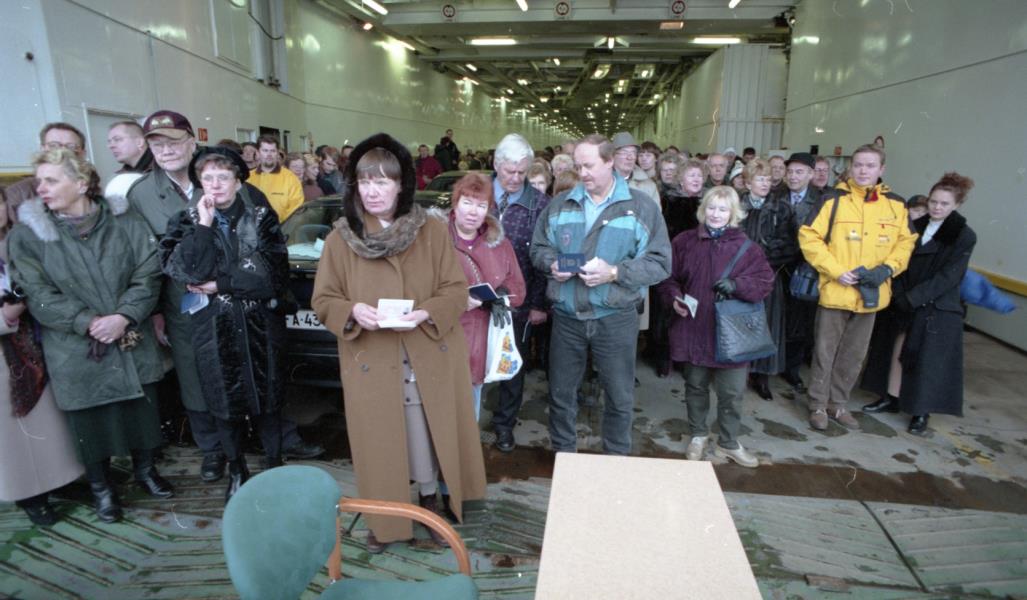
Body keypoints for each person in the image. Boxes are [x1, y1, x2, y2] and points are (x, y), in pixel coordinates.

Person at [310, 133, 486, 553]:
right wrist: (352, 310)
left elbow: (455, 289)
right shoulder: (341, 239)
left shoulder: (431, 231)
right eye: (364, 181)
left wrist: (426, 312)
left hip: (427, 349)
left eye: (382, 181)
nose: (372, 191)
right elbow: (323, 300)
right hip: (372, 355)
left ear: (400, 184)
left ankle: (430, 502)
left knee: (428, 432)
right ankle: (384, 518)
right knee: (380, 442)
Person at [9, 149, 173, 523]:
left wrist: (124, 316)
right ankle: (102, 489)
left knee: (141, 412)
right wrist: (88, 322)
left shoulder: (125, 221)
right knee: (90, 423)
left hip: (129, 335)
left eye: (51, 180)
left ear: (81, 183)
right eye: (39, 181)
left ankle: (146, 470)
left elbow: (149, 273)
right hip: (76, 346)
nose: (41, 188)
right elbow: (36, 292)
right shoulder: (27, 236)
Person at [160, 147, 289, 502]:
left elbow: (271, 275)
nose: (215, 184)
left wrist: (220, 283)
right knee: (223, 402)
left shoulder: (261, 216)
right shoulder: (186, 220)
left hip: (260, 325)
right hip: (213, 328)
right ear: (199, 182)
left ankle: (274, 465)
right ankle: (237, 470)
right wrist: (203, 227)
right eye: (208, 178)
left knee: (268, 400)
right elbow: (187, 271)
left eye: (223, 177)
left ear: (237, 181)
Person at [531, 134, 671, 455]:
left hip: (616, 318)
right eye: (578, 166)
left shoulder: (640, 207)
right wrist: (552, 263)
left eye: (589, 166)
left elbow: (661, 263)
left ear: (610, 162)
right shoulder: (560, 204)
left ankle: (615, 460)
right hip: (567, 317)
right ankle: (565, 457)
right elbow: (538, 248)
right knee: (561, 395)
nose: (582, 173)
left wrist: (616, 272)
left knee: (619, 397)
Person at [798, 143, 917, 431]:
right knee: (824, 352)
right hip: (835, 290)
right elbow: (809, 236)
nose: (863, 171)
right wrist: (836, 271)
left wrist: (888, 269)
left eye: (870, 165)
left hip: (871, 295)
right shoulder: (832, 200)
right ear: (850, 167)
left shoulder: (896, 205)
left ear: (881, 169)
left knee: (854, 355)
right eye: (859, 165)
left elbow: (906, 242)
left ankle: (838, 404)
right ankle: (817, 405)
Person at [658, 186, 774, 467]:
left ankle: (728, 442)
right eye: (711, 207)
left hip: (731, 333)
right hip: (695, 326)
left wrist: (737, 285)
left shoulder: (748, 248)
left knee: (732, 393)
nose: (716, 214)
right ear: (703, 209)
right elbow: (668, 278)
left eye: (723, 209)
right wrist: (674, 298)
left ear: (733, 213)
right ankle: (698, 434)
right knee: (695, 385)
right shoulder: (684, 242)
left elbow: (765, 282)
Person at [860, 173, 976, 435]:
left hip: (935, 306)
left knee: (927, 361)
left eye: (944, 204)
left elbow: (949, 276)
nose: (937, 207)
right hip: (903, 301)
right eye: (933, 201)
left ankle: (921, 412)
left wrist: (913, 298)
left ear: (957, 205)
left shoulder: (963, 235)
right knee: (895, 350)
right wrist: (899, 293)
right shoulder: (914, 225)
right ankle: (891, 397)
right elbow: (897, 257)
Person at [0, 187, 84, 526]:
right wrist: (6, 316)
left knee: (52, 423)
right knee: (16, 434)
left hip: (38, 342)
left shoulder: (19, 241)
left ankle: (62, 479)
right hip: (5, 352)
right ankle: (29, 494)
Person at [444, 173, 525, 419]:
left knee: (470, 416)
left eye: (481, 205)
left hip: (479, 345)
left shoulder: (500, 245)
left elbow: (518, 288)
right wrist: (456, 300)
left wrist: (501, 296)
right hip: (442, 342)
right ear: (455, 204)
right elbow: (416, 289)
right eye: (467, 202)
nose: (473, 211)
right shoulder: (435, 241)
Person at [490, 134, 550, 452]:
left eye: (521, 172)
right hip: (475, 298)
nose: (515, 178)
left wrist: (539, 303)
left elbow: (542, 259)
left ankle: (504, 425)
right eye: (509, 171)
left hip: (519, 301)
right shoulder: (476, 194)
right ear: (496, 164)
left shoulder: (540, 205)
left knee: (511, 365)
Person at [738, 159, 798, 400]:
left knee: (768, 326)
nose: (765, 183)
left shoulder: (781, 209)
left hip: (768, 276)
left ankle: (762, 376)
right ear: (748, 182)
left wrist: (762, 257)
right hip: (739, 276)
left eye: (768, 179)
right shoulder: (736, 205)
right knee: (739, 323)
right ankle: (738, 372)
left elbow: (790, 244)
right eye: (759, 179)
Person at [778, 152, 823, 393]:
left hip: (806, 269)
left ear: (811, 174)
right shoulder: (776, 195)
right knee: (777, 317)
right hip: (778, 266)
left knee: (800, 322)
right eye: (790, 171)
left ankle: (792, 369)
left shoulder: (822, 201)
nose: (793, 176)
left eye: (799, 172)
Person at [5, 122, 87, 223]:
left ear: (83, 154)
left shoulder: (95, 189)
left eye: (71, 147)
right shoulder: (15, 196)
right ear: (42, 149)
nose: (62, 153)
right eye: (53, 146)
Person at [249, 135, 304, 222]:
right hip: (252, 228)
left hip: (282, 228)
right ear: (258, 152)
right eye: (265, 150)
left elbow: (296, 209)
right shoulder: (248, 178)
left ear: (278, 153)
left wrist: (277, 226)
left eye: (273, 151)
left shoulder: (290, 178)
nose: (269, 154)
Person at [610, 132, 659, 206]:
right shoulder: (600, 183)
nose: (629, 157)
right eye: (624, 153)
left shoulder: (649, 186)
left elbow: (655, 212)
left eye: (633, 153)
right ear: (612, 156)